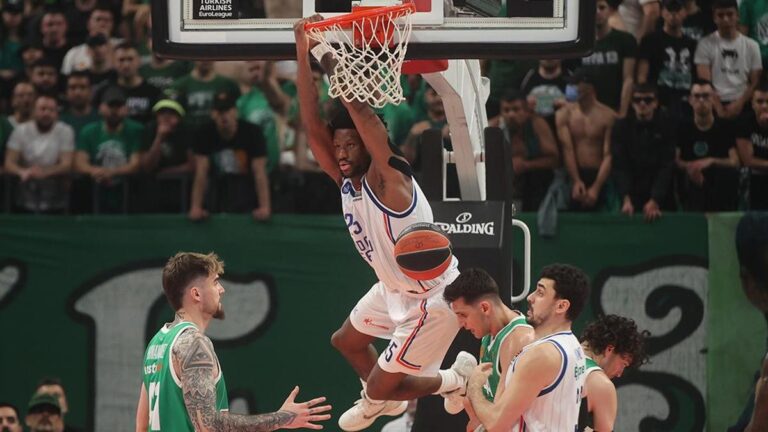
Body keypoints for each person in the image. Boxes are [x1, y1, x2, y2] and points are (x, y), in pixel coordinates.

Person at [295, 16, 475, 431]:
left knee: (383, 388)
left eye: (350, 144)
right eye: (338, 145)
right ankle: (388, 398)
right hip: (393, 288)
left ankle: (454, 379)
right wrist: (301, 53)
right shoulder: (347, 181)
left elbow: (362, 113)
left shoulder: (390, 179)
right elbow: (311, 126)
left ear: (369, 145)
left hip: (432, 296)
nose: (341, 152)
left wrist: (324, 52)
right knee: (346, 342)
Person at [135, 252, 332, 431]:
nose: (221, 290)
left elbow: (141, 425)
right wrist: (281, 418)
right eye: (215, 282)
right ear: (196, 294)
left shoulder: (156, 343)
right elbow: (209, 424)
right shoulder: (194, 344)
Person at [466, 264, 590, 431]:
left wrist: (474, 387)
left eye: (540, 293)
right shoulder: (574, 346)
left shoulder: (543, 354)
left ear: (561, 306)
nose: (530, 297)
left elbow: (496, 424)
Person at [442, 268, 535, 428]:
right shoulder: (489, 335)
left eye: (463, 315)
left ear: (485, 308)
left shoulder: (519, 339)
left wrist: (472, 388)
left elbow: (500, 419)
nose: (460, 324)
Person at [189, 92, 271, 221]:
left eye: (227, 111)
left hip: (246, 191)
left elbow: (259, 171)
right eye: (219, 112)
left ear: (235, 112)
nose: (224, 116)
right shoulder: (203, 133)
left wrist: (264, 207)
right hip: (216, 192)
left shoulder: (253, 133)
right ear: (213, 114)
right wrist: (196, 207)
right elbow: (201, 171)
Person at [612, 84, 677, 221]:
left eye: (648, 100)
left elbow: (666, 165)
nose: (642, 104)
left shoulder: (666, 125)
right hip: (633, 190)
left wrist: (655, 199)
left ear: (655, 103)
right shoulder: (621, 127)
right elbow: (620, 165)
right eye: (637, 100)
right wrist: (626, 198)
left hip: (662, 193)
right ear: (632, 103)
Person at [556, 68, 616, 211]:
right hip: (574, 173)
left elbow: (609, 154)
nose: (571, 88)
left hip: (600, 173)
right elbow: (567, 149)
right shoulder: (564, 115)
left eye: (575, 84)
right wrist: (576, 180)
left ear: (589, 88)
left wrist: (596, 187)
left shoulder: (608, 116)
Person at [577, 314, 650, 432]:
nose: (619, 374)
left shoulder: (557, 353)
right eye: (624, 364)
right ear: (609, 349)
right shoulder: (602, 385)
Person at [3, 94, 74, 213]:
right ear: (34, 111)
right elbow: (9, 163)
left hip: (55, 201)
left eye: (51, 110)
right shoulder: (20, 130)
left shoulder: (65, 131)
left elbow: (66, 164)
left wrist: (44, 172)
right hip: (24, 199)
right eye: (42, 109)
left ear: (57, 113)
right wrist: (23, 172)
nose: (46, 113)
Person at [676, 80, 740, 211]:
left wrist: (711, 161)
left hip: (719, 185)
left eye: (706, 96)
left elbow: (735, 161)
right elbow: (676, 160)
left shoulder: (725, 126)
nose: (701, 100)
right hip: (691, 184)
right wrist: (692, 167)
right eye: (697, 96)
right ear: (690, 100)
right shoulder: (682, 127)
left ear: (714, 99)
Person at [492, 89, 560, 211]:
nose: (511, 115)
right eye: (506, 110)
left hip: (537, 184)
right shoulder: (493, 127)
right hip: (505, 186)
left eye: (516, 109)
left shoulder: (537, 124)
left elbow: (555, 159)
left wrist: (526, 165)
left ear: (526, 111)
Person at [695, 0, 762, 120]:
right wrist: (718, 107)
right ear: (714, 18)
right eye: (721, 15)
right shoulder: (704, 44)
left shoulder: (752, 46)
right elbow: (704, 83)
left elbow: (755, 82)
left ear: (737, 16)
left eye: (730, 14)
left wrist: (740, 103)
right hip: (714, 102)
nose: (726, 19)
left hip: (744, 102)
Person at [637, 0, 696, 115]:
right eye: (669, 10)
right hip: (659, 102)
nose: (673, 14)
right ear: (662, 12)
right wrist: (647, 99)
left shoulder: (692, 44)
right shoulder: (649, 41)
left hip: (686, 101)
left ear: (684, 13)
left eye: (677, 10)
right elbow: (641, 77)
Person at [582, 0, 637, 117]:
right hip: (588, 113)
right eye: (593, 9)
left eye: (602, 8)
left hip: (616, 108)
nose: (597, 12)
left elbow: (628, 79)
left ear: (610, 11)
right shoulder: (580, 44)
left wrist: (622, 113)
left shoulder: (626, 40)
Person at [736, 82, 768, 210]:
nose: (764, 106)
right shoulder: (744, 123)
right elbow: (748, 160)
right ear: (753, 104)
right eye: (760, 102)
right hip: (752, 176)